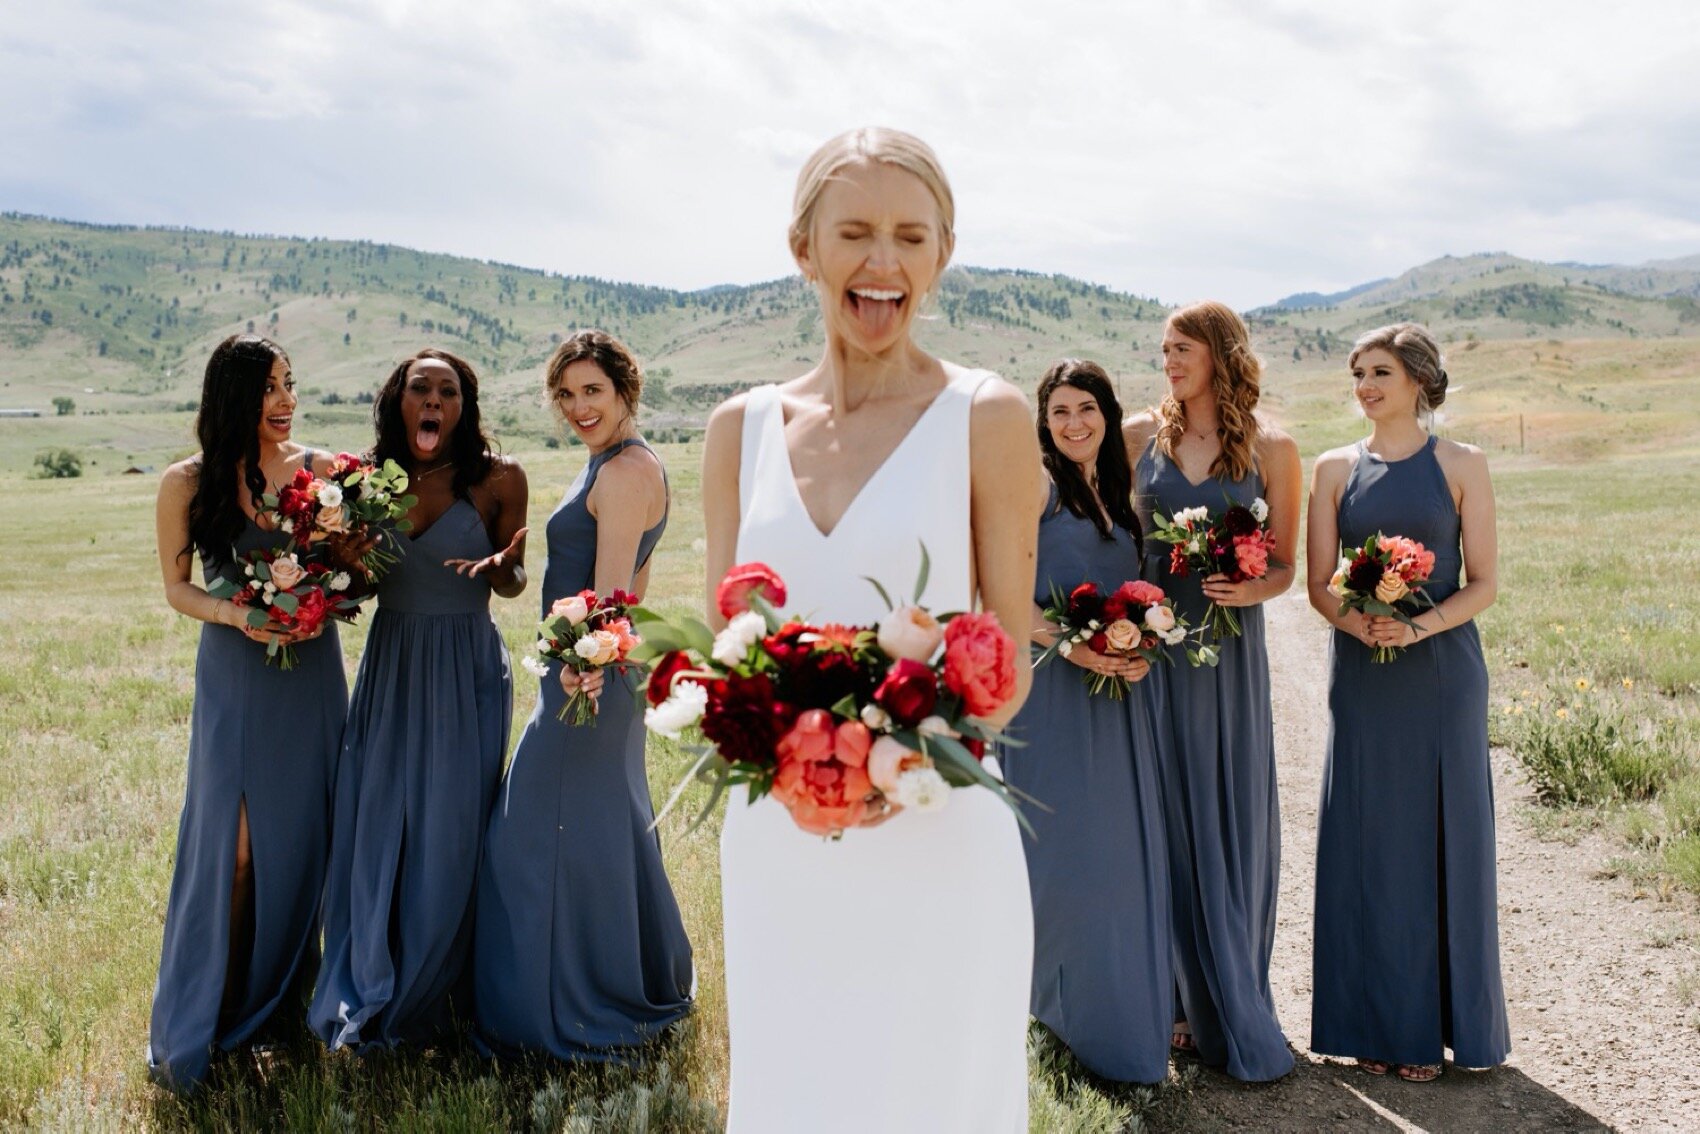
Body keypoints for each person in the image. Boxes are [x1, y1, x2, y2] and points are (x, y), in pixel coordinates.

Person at [702, 127, 1043, 1133]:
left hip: (932, 825)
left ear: (941, 254)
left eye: (909, 236)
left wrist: (892, 767)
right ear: (802, 247)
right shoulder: (739, 428)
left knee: (933, 1090)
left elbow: (1005, 661)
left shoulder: (986, 415)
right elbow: (730, 645)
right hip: (779, 835)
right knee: (796, 1084)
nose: (882, 263)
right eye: (853, 232)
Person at [473, 330, 693, 1059]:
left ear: (626, 388)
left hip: (586, 679)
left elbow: (612, 597)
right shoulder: (607, 461)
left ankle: (566, 1005)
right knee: (595, 834)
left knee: (529, 838)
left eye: (593, 390)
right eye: (565, 395)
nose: (578, 406)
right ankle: (613, 979)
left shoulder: (626, 471)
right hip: (585, 669)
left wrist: (590, 664)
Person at [1306, 322, 1509, 1082]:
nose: (1364, 385)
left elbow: (1484, 580)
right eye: (1358, 372)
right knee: (1368, 844)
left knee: (1438, 841)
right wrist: (1355, 621)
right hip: (1361, 676)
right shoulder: (1332, 469)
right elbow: (1318, 584)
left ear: (1418, 380)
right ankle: (1376, 1023)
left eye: (1380, 372)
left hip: (1442, 675)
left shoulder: (1464, 464)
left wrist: (1418, 625)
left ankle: (1437, 1030)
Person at [309, 348, 526, 1049]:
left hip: (466, 669)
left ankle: (441, 988)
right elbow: (367, 590)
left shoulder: (499, 479)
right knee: (376, 820)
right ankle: (373, 971)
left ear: (464, 407)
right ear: (397, 401)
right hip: (393, 664)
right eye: (420, 388)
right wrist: (345, 565)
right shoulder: (363, 483)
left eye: (449, 391)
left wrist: (507, 569)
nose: (434, 400)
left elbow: (513, 581)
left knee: (451, 827)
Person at [149, 334, 347, 1090]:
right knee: (232, 854)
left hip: (310, 675)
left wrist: (328, 595)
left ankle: (274, 1012)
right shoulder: (185, 482)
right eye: (269, 387)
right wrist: (237, 616)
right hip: (235, 672)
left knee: (298, 845)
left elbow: (350, 565)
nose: (286, 400)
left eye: (290, 383)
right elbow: (176, 591)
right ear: (232, 396)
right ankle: (213, 1011)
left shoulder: (323, 472)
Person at [1125, 301, 1300, 1082]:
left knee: (1227, 816)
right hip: (1157, 654)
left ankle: (1229, 993)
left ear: (1221, 353)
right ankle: (1166, 1001)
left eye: (1182, 348)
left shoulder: (1274, 447)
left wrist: (1251, 588)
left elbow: (1287, 566)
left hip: (1228, 657)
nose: (1169, 362)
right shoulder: (1137, 438)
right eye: (1163, 349)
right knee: (1159, 815)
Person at [1003, 359, 1172, 1084]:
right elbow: (999, 590)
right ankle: (1057, 1027)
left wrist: (1138, 646)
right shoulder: (1037, 486)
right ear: (1043, 421)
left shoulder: (1118, 492)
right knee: (1064, 861)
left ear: (1108, 413)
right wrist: (1074, 646)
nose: (1073, 424)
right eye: (1059, 411)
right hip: (1053, 700)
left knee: (1120, 861)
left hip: (1120, 701)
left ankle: (1123, 1028)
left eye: (1086, 409)